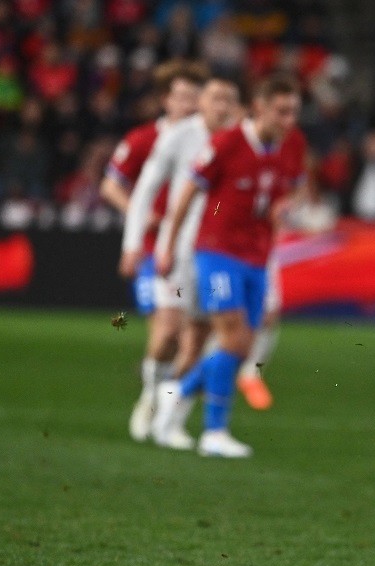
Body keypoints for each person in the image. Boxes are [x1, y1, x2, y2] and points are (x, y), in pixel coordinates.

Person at [152, 74, 306, 458]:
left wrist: (287, 203)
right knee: (234, 340)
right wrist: (167, 245)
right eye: (281, 111)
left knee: (243, 345)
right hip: (216, 252)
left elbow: (297, 183)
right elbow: (187, 192)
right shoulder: (227, 143)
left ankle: (173, 396)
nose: (289, 120)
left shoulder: (294, 144)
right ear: (260, 107)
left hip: (258, 255)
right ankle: (213, 432)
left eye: (294, 112)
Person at [122, 74, 242, 449]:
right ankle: (150, 392)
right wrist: (133, 243)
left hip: (215, 255)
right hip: (175, 250)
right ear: (202, 104)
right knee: (168, 333)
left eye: (228, 100)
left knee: (197, 342)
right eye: (214, 99)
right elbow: (145, 188)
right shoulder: (178, 137)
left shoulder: (240, 141)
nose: (221, 107)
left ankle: (170, 418)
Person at [100, 60, 205, 442]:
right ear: (166, 100)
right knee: (167, 333)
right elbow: (111, 185)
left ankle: (164, 408)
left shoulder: (209, 140)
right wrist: (138, 217)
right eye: (182, 96)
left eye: (196, 97)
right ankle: (150, 397)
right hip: (154, 251)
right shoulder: (145, 138)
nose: (190, 104)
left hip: (197, 249)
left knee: (188, 337)